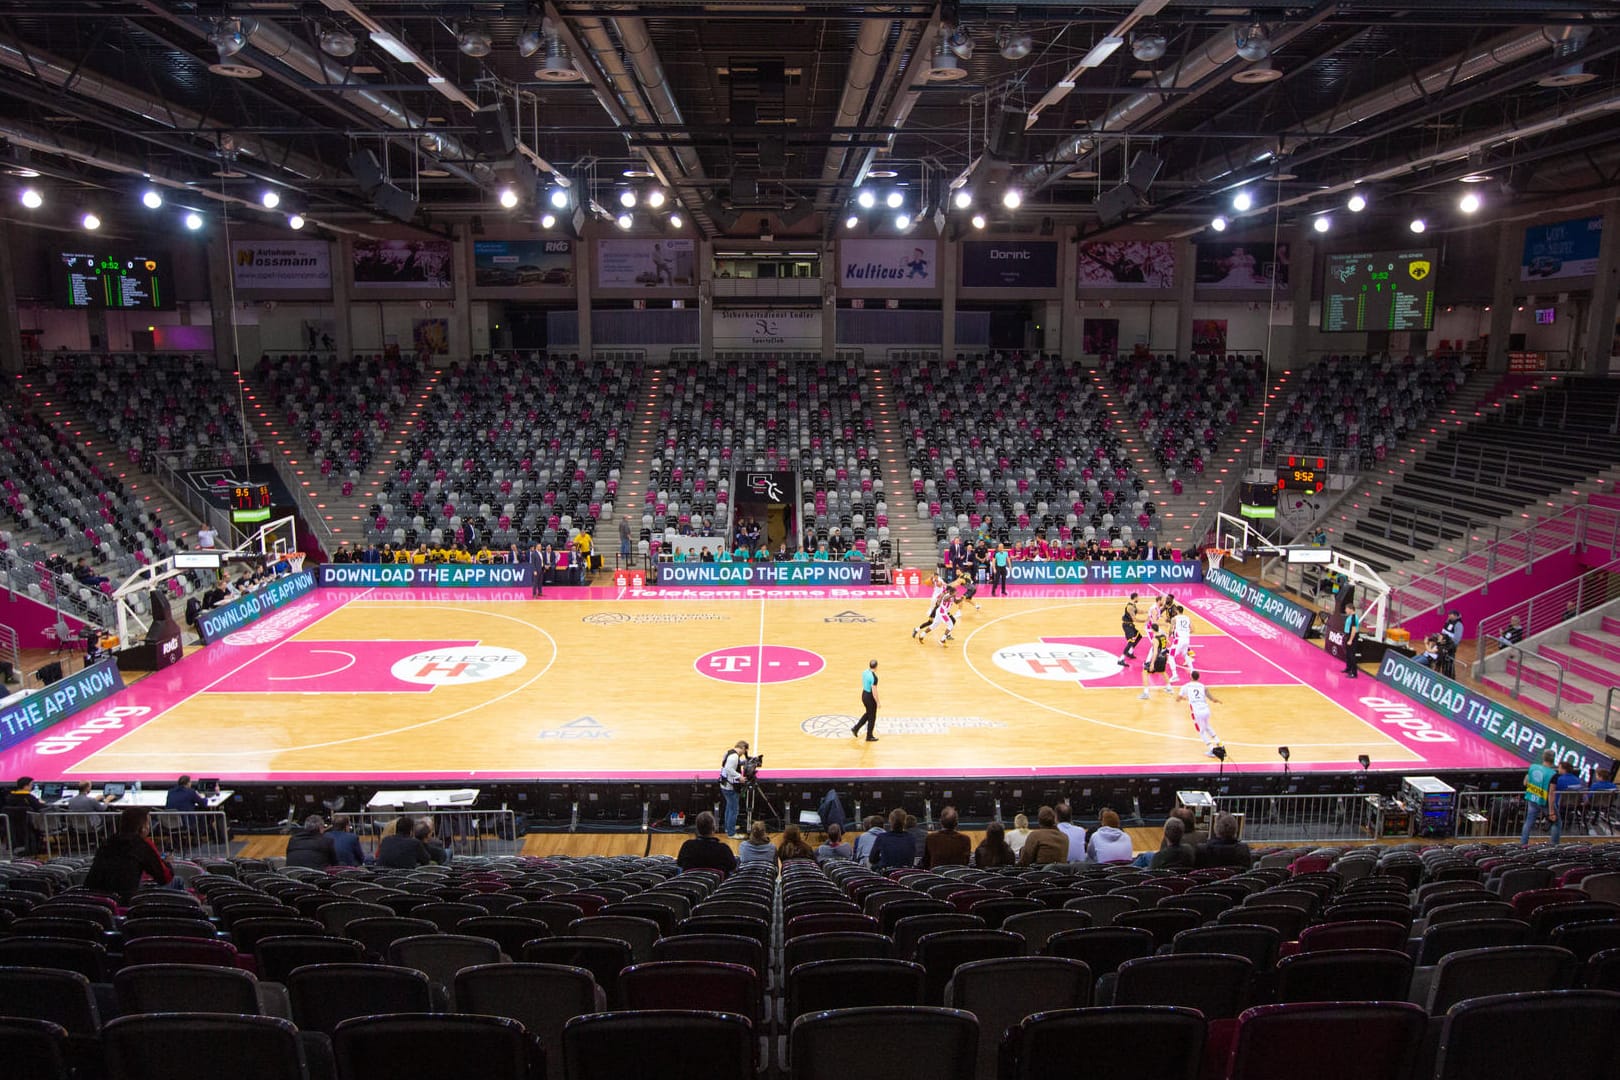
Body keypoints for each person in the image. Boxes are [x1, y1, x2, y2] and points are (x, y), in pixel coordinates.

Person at [84, 807, 176, 902]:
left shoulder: (107, 842)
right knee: (177, 881)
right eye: (148, 823)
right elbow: (164, 878)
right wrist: (167, 863)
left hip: (94, 900)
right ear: (142, 827)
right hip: (124, 902)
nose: (149, 827)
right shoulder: (141, 844)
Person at [676, 811, 738, 875]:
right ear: (714, 828)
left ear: (697, 828)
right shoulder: (723, 849)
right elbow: (732, 866)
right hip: (717, 884)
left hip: (690, 883)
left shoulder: (687, 846)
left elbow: (679, 863)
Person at [1179, 671, 1224, 757]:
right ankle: (1220, 744)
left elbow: (1179, 698)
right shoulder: (1203, 686)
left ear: (1191, 677)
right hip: (1206, 710)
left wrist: (1181, 698)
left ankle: (1212, 750)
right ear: (1198, 678)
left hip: (1198, 711)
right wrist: (1217, 700)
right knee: (1208, 727)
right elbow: (1212, 699)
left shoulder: (1186, 686)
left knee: (1201, 731)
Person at [1520, 750, 1558, 845]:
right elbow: (1551, 794)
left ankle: (1523, 844)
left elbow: (1525, 783)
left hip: (1532, 799)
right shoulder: (1553, 774)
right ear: (1553, 759)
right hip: (1544, 802)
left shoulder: (1533, 767)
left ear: (1543, 757)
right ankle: (1554, 844)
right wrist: (1551, 812)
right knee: (1557, 823)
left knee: (1528, 823)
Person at [4, 776, 46, 855]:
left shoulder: (9, 797)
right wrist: (41, 803)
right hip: (30, 824)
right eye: (31, 785)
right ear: (25, 786)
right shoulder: (28, 797)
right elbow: (40, 807)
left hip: (13, 826)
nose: (32, 787)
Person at [1549, 760, 1584, 844]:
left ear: (1564, 769)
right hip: (1574, 804)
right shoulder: (1578, 780)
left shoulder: (1559, 779)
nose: (1558, 770)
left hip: (1559, 805)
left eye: (1559, 768)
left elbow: (1551, 792)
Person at [720, 740, 749, 837]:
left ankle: (728, 827)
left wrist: (742, 763)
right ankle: (731, 833)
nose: (744, 753)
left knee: (729, 807)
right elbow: (729, 769)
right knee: (734, 809)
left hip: (724, 785)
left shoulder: (729, 752)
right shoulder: (734, 757)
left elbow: (727, 765)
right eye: (745, 751)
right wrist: (739, 776)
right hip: (729, 787)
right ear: (743, 748)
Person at [852, 659, 880, 741]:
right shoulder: (874, 677)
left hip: (864, 694)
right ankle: (869, 736)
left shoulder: (865, 672)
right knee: (872, 717)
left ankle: (856, 728)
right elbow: (874, 692)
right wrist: (878, 702)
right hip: (870, 697)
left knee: (868, 714)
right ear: (876, 667)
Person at [1118, 591, 1143, 667]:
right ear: (1135, 597)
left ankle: (1130, 652)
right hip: (1127, 625)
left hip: (1130, 625)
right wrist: (1145, 620)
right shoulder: (1130, 607)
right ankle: (1121, 659)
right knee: (1131, 642)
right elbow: (1134, 619)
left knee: (1139, 636)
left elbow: (1139, 611)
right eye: (1138, 597)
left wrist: (1149, 612)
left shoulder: (1133, 605)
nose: (1139, 598)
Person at [1341, 601, 1362, 677]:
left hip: (1351, 636)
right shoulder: (1350, 616)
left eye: (1346, 609)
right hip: (1347, 635)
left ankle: (1354, 673)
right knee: (1348, 654)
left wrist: (1350, 640)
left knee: (1351, 655)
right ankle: (1348, 668)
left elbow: (1353, 629)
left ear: (1350, 609)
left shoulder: (1353, 617)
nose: (1345, 610)